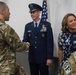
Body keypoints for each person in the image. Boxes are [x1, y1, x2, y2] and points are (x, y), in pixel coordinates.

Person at [23, 3, 54, 75]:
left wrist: (49, 57)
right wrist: (24, 43)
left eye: (33, 12)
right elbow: (25, 40)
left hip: (43, 58)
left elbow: (49, 41)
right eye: (31, 12)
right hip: (32, 57)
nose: (32, 14)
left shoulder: (46, 25)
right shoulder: (28, 26)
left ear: (39, 12)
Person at [0, 1, 30, 75]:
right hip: (6, 70)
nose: (9, 13)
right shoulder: (4, 28)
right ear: (2, 11)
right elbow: (18, 46)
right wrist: (27, 45)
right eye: (8, 10)